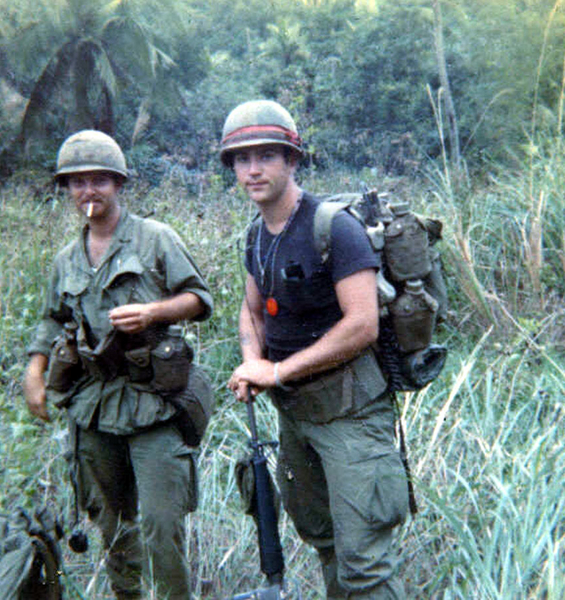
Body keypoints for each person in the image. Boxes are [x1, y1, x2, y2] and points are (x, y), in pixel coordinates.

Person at [224, 100, 409, 598]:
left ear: (292, 160)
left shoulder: (334, 229)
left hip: (351, 416)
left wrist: (277, 372)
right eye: (242, 159)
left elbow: (362, 325)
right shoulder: (255, 235)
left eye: (266, 155)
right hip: (297, 416)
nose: (253, 169)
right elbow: (251, 310)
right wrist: (251, 359)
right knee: (325, 542)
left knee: (364, 566)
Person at [23, 130, 213, 600]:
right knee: (112, 524)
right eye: (77, 182)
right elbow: (53, 320)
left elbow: (199, 299)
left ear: (118, 184)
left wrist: (154, 312)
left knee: (161, 523)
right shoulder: (67, 258)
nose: (88, 192)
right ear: (67, 190)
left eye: (99, 181)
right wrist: (35, 370)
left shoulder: (154, 239)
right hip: (96, 405)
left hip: (154, 401)